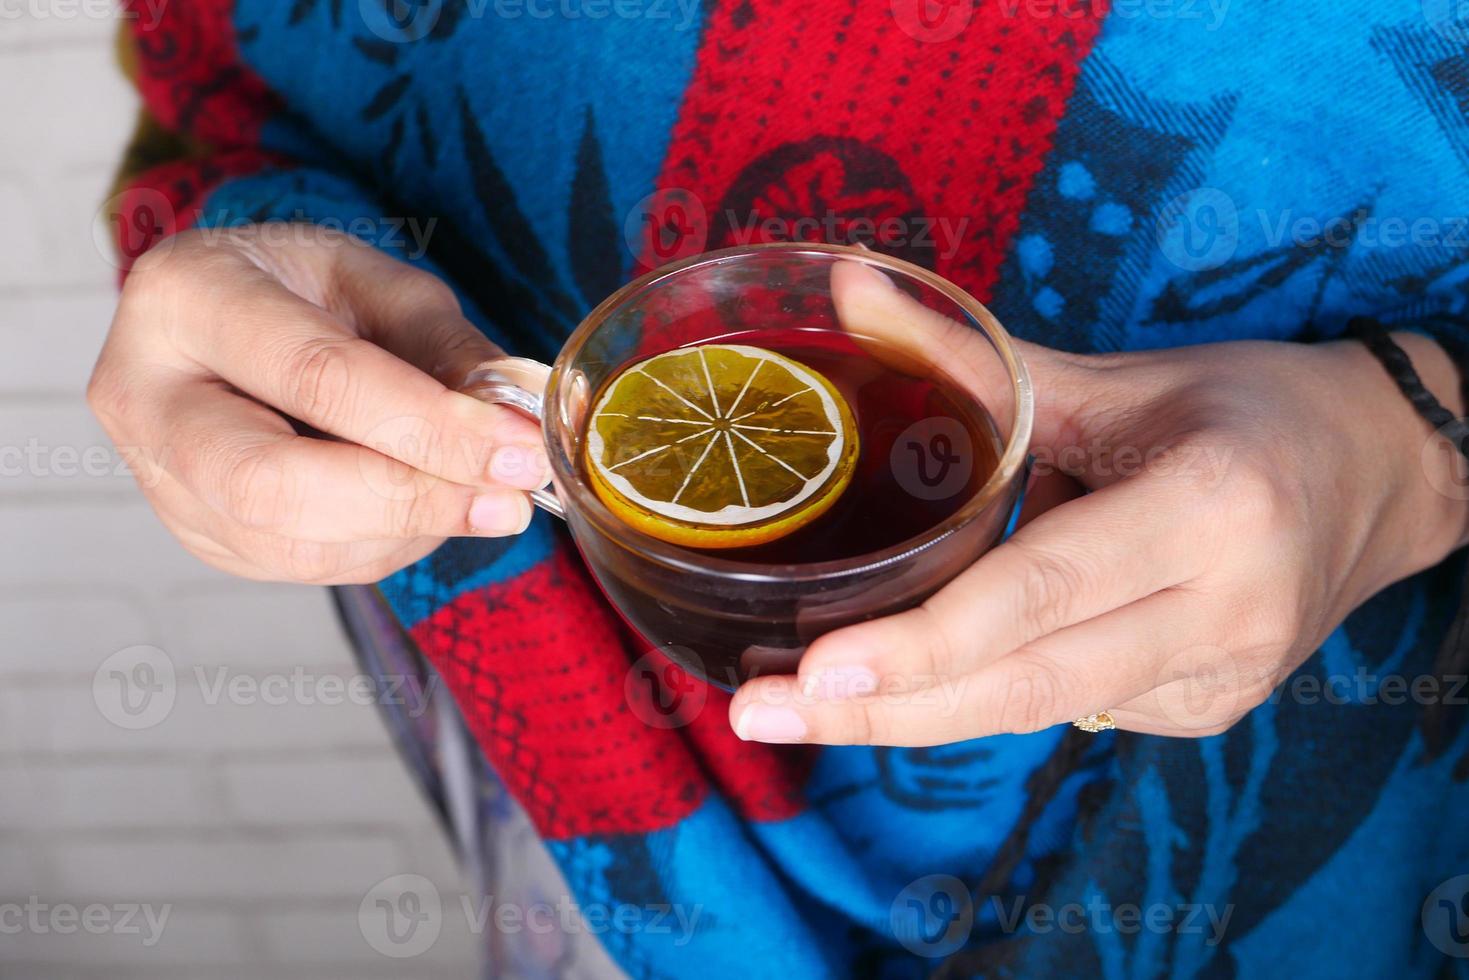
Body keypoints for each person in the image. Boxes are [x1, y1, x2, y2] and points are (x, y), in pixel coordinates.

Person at [91, 1, 1469, 976]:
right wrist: (214, 267)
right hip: (567, 741)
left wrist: (1412, 445)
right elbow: (215, 81)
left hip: (1336, 803)